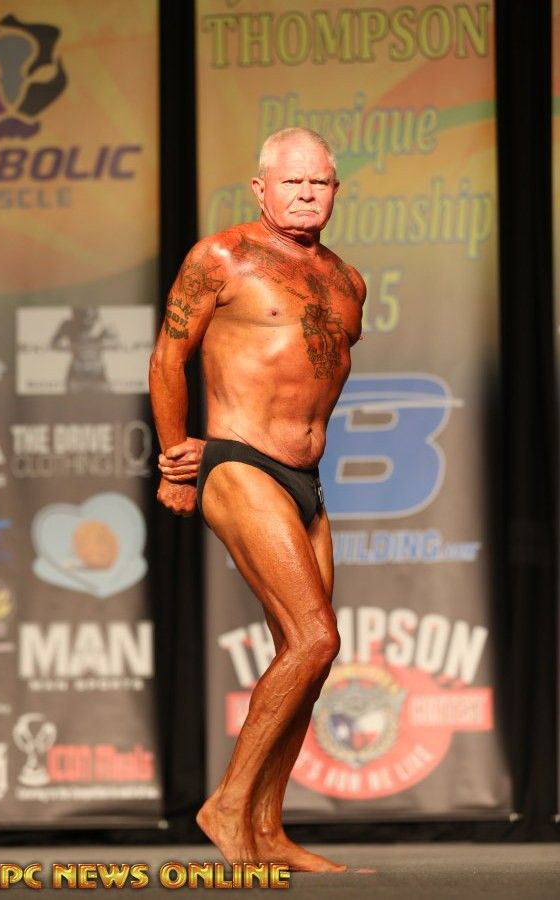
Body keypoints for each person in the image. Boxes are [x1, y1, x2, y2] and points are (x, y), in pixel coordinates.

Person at [149, 127, 366, 872]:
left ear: (335, 190)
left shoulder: (348, 281)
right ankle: (226, 804)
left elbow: (311, 372)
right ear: (261, 188)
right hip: (240, 463)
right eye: (292, 182)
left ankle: (267, 831)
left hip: (308, 479)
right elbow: (168, 356)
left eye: (319, 183)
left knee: (308, 658)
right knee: (315, 639)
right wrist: (177, 463)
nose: (306, 194)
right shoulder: (222, 257)